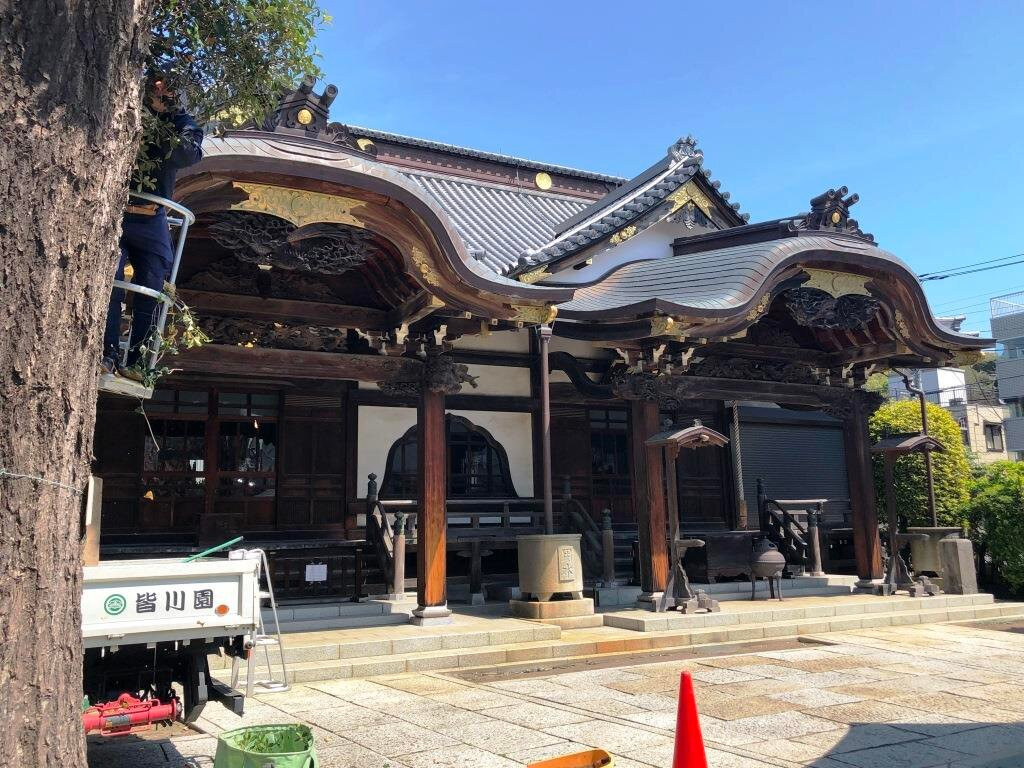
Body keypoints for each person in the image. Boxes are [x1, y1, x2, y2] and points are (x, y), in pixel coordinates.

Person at [101, 73, 204, 381]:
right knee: (112, 282)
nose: (160, 90)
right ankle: (106, 354)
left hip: (153, 217)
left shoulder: (184, 125)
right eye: (156, 84)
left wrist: (170, 117)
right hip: (117, 213)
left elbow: (189, 153)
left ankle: (137, 361)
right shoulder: (129, 111)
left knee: (153, 285)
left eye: (168, 86)